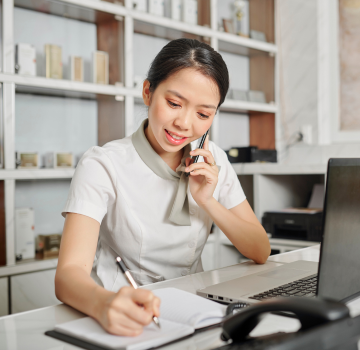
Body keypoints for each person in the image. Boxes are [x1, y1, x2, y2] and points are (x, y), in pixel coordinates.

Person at [55, 38, 271, 337]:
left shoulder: (213, 160)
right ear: (148, 92)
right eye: (173, 103)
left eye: (203, 114)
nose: (184, 123)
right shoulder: (103, 164)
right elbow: (68, 275)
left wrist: (208, 200)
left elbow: (260, 249)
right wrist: (105, 305)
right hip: (123, 310)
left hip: (195, 311)